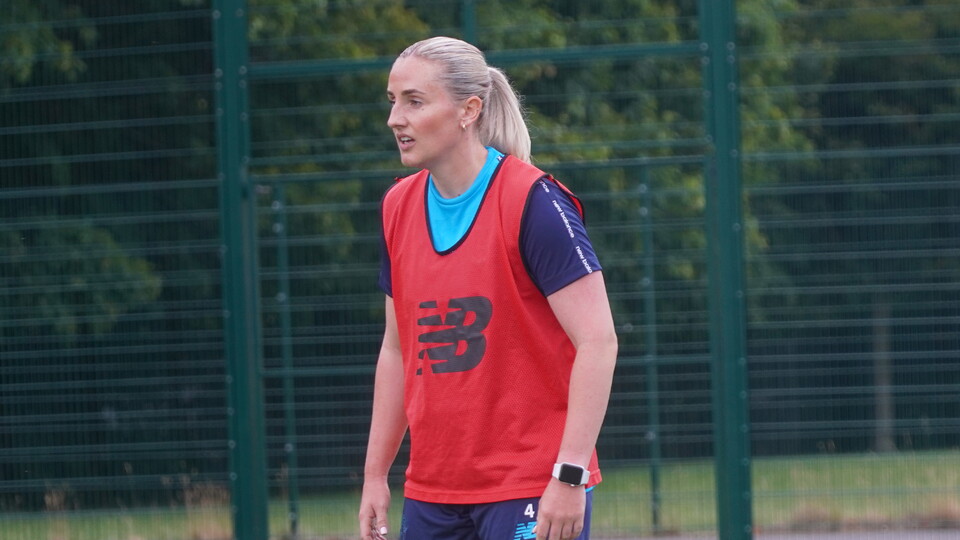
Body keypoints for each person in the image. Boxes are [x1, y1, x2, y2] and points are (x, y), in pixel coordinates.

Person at [358, 36, 618, 540]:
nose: (395, 119)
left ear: (469, 110)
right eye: (393, 102)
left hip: (530, 484)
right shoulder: (397, 207)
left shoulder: (533, 201)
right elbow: (396, 350)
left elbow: (598, 341)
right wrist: (374, 475)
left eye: (414, 101)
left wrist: (569, 474)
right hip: (434, 491)